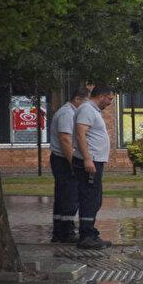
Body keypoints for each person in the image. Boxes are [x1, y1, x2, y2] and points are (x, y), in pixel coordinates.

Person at [72, 85, 115, 249]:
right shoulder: (87, 110)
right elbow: (80, 134)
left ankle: (90, 232)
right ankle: (86, 236)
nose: (110, 103)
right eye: (110, 99)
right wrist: (87, 159)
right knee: (89, 198)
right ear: (102, 96)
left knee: (95, 199)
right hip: (89, 162)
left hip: (95, 160)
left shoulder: (93, 110)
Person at [49, 87, 89, 243]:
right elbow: (65, 139)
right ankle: (66, 232)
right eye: (85, 103)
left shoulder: (70, 112)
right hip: (65, 160)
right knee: (69, 196)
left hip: (63, 159)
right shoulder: (68, 113)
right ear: (77, 100)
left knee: (63, 196)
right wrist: (73, 162)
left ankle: (60, 231)